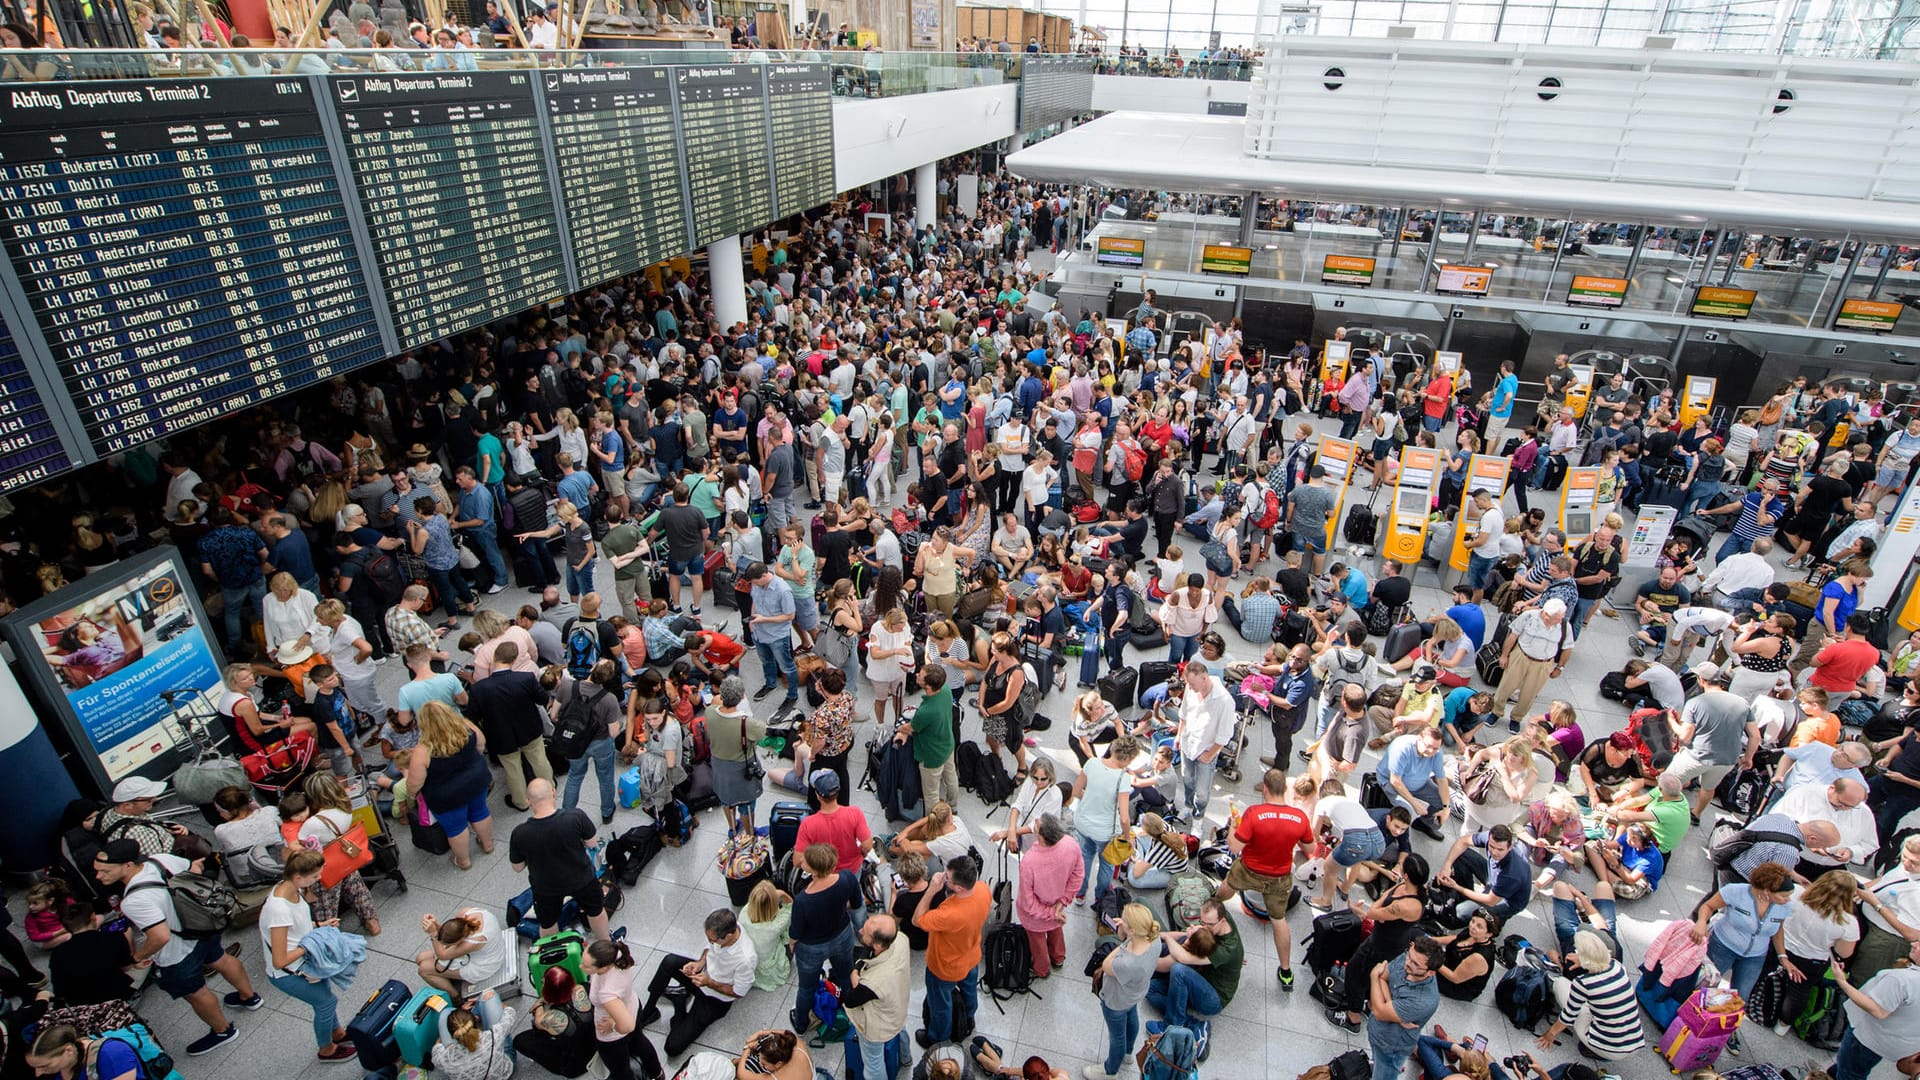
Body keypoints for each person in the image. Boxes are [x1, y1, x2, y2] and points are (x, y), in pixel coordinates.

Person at [91, 838, 263, 1057]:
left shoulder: (133, 901)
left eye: (105, 871)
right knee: (221, 958)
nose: (99, 876)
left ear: (127, 865)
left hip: (177, 953)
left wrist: (137, 957)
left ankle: (223, 1032)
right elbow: (194, 868)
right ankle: (250, 997)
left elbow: (160, 936)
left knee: (196, 992)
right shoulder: (159, 861)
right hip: (201, 926)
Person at [1214, 768, 1310, 990]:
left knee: (1227, 886)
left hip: (1249, 870)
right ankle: (1286, 971)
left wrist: (1233, 827)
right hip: (1279, 877)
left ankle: (1210, 913)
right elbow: (1311, 847)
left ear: (1265, 789)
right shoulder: (1300, 817)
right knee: (1279, 920)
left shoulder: (1254, 813)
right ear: (1285, 789)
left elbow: (1235, 847)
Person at [260, 849, 359, 1062]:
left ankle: (338, 1034)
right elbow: (279, 960)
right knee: (326, 1003)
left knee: (325, 997)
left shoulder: (291, 889)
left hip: (304, 965)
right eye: (315, 876)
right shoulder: (279, 910)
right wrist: (312, 944)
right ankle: (326, 1049)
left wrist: (319, 926)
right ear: (298, 877)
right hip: (289, 972)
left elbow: (297, 928)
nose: (319, 879)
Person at [1692, 860, 1797, 1031]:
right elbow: (1709, 906)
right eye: (1784, 895)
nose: (1788, 900)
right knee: (1705, 985)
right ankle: (1691, 1018)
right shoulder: (1736, 892)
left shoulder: (1782, 907)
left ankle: (1725, 1029)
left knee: (1741, 997)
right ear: (1767, 890)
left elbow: (1778, 930)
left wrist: (1782, 956)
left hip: (1755, 955)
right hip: (1723, 945)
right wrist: (1702, 922)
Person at [635, 908, 756, 1056]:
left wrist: (709, 982)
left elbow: (739, 992)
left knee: (672, 1047)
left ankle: (680, 1001)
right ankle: (650, 1010)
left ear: (729, 936)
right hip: (703, 975)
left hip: (715, 1000)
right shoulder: (723, 928)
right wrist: (699, 963)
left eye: (714, 940)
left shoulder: (745, 958)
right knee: (669, 961)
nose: (711, 941)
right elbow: (708, 947)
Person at [509, 779, 612, 942]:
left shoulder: (520, 833)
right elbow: (592, 843)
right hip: (582, 878)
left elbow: (518, 867)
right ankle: (605, 944)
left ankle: (552, 952)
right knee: (596, 911)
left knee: (548, 922)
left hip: (545, 887)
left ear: (529, 802)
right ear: (554, 793)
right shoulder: (575, 816)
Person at [913, 853, 992, 1047]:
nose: (943, 878)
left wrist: (931, 890)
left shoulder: (948, 914)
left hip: (944, 967)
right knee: (969, 989)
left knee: (940, 1005)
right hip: (971, 955)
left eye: (947, 878)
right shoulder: (983, 890)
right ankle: (969, 1017)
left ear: (958, 887)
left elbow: (917, 920)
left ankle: (938, 1037)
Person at [404, 699, 493, 870]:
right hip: (476, 780)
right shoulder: (467, 727)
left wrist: (410, 795)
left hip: (445, 795)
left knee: (456, 827)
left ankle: (464, 861)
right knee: (480, 812)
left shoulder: (423, 750)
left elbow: (415, 782)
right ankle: (487, 844)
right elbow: (481, 745)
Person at [465, 640, 553, 811]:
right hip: (529, 729)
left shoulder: (480, 689)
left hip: (501, 736)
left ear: (494, 658)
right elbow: (543, 700)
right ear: (513, 660)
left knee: (512, 770)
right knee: (540, 761)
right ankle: (548, 790)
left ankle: (520, 802)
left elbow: (472, 716)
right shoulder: (525, 679)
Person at [1773, 869, 1862, 1034]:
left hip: (1780, 945)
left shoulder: (1795, 893)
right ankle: (1782, 1026)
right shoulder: (1848, 923)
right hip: (1811, 960)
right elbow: (1844, 953)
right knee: (1798, 992)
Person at [1533, 929, 1643, 1060]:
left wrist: (1550, 1034)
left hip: (1608, 1048)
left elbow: (1569, 1015)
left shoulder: (1584, 983)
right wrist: (1584, 960)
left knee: (1560, 984)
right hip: (1634, 1042)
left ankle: (1593, 1046)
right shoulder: (1618, 967)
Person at [1145, 898, 1241, 1047]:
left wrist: (1166, 937)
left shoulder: (1227, 949)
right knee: (1151, 989)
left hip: (1214, 997)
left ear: (1222, 921)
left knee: (1179, 971)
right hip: (1200, 976)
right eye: (1201, 922)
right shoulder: (1218, 921)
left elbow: (1181, 957)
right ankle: (1192, 1023)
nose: (1203, 927)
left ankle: (1172, 1026)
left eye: (1208, 925)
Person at [789, 842, 861, 1035]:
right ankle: (851, 1011)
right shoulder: (846, 878)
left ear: (813, 869)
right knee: (846, 975)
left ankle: (802, 1023)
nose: (801, 861)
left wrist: (791, 945)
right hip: (842, 936)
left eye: (806, 861)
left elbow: (795, 933)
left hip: (811, 947)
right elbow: (855, 903)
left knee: (806, 987)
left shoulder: (802, 900)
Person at [1832, 935, 1920, 1080]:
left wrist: (1842, 982)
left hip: (1868, 1038)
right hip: (1897, 1043)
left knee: (1851, 1072)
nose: (1914, 944)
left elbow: (1878, 1010)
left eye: (1919, 943)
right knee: (1851, 1066)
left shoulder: (1900, 980)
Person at [547, 661, 626, 823]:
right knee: (605, 778)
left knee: (575, 776)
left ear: (592, 668)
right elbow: (613, 733)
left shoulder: (567, 686)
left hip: (574, 742)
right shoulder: (609, 699)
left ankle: (566, 815)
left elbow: (553, 716)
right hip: (600, 743)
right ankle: (606, 812)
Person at [1090, 903, 1160, 1080]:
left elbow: (1107, 964)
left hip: (1116, 1000)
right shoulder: (1155, 939)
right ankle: (1128, 1053)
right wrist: (1127, 931)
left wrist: (1122, 938)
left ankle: (1110, 1071)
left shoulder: (1128, 962)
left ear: (1133, 931)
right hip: (1135, 993)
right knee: (1132, 1018)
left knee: (1116, 1037)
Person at [582, 939, 663, 1080]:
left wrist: (613, 1024)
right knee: (640, 1042)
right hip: (632, 1007)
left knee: (620, 1069)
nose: (581, 966)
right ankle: (658, 1073)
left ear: (603, 968)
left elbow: (627, 1025)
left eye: (587, 966)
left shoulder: (606, 992)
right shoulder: (617, 955)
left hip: (614, 1034)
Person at [1071, 736, 1138, 908]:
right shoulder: (1122, 778)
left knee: (1085, 856)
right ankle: (1100, 898)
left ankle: (1079, 894)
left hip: (1083, 823)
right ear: (1126, 758)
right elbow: (1124, 816)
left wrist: (1092, 801)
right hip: (1105, 832)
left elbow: (1076, 790)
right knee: (1106, 864)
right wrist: (1127, 836)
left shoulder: (1092, 763)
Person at [1363, 937, 1442, 1080]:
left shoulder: (1423, 1001)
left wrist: (1373, 976)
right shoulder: (1409, 958)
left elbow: (1379, 1011)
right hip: (1378, 1032)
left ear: (1431, 972)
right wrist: (1391, 1004)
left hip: (1391, 1048)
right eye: (1409, 957)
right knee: (1377, 1062)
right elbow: (1384, 978)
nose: (1407, 963)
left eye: (1415, 964)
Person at [1014, 814, 1083, 979]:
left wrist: (1051, 913)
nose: (1035, 822)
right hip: (1058, 904)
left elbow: (1027, 901)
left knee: (1037, 943)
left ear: (1042, 837)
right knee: (1056, 929)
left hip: (1036, 916)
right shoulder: (1070, 844)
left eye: (1038, 824)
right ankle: (1058, 958)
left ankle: (1041, 969)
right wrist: (1062, 902)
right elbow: (1078, 875)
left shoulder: (1029, 861)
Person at [844, 912, 911, 1080]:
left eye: (864, 933)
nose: (859, 931)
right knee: (900, 1030)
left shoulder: (873, 982)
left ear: (878, 945)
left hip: (877, 1026)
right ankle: (906, 1059)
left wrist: (854, 974)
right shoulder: (901, 939)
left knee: (873, 1064)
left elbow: (851, 1000)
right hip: (898, 1007)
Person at [1173, 663, 1235, 823]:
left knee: (1202, 791)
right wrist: (1179, 734)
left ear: (1204, 678)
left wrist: (1210, 754)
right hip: (1188, 744)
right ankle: (1187, 806)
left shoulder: (1225, 701)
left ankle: (1198, 818)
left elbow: (1226, 733)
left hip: (1206, 750)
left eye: (1192, 684)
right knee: (1187, 778)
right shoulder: (1191, 689)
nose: (1190, 687)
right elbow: (1184, 712)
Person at [1436, 824, 1532, 924]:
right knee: (1461, 854)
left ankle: (1496, 920)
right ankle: (1465, 896)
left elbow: (1490, 901)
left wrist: (1456, 887)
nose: (1494, 852)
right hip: (1493, 878)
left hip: (1506, 900)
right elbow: (1463, 841)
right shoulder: (1491, 838)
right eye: (1491, 846)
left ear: (1510, 848)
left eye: (1500, 849)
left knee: (1461, 911)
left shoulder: (1512, 874)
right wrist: (1446, 866)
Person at [515, 967, 599, 1078]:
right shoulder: (582, 988)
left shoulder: (548, 1019)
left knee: (519, 1040)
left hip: (573, 1067)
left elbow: (537, 1019)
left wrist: (540, 1003)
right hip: (598, 1047)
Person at [415, 906, 511, 997]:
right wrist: (435, 925)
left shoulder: (474, 942)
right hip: (485, 952)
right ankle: (447, 977)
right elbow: (451, 934)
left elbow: (442, 955)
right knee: (420, 958)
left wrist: (433, 934)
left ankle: (455, 996)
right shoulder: (466, 914)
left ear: (461, 940)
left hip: (485, 966)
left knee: (423, 970)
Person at [1377, 726, 1453, 841]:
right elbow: (1395, 781)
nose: (1432, 751)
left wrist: (1446, 808)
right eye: (1428, 746)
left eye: (1436, 748)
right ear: (1419, 738)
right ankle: (1394, 835)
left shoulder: (1436, 753)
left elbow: (1442, 780)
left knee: (1442, 800)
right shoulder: (1402, 748)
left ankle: (1423, 824)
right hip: (1392, 784)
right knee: (1407, 811)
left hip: (1419, 781)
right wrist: (1415, 804)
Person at [793, 769, 872, 872]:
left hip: (824, 876)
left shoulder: (808, 824)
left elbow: (798, 861)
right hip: (852, 871)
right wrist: (861, 854)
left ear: (817, 795)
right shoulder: (855, 813)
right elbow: (867, 845)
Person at [433, 1001, 519, 1080]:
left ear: (452, 1036)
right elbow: (510, 1016)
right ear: (477, 1019)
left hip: (455, 1053)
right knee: (490, 997)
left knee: (445, 1013)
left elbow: (436, 1053)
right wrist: (504, 1006)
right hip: (502, 1074)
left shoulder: (445, 1058)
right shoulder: (492, 1036)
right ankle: (477, 1007)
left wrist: (445, 1045)